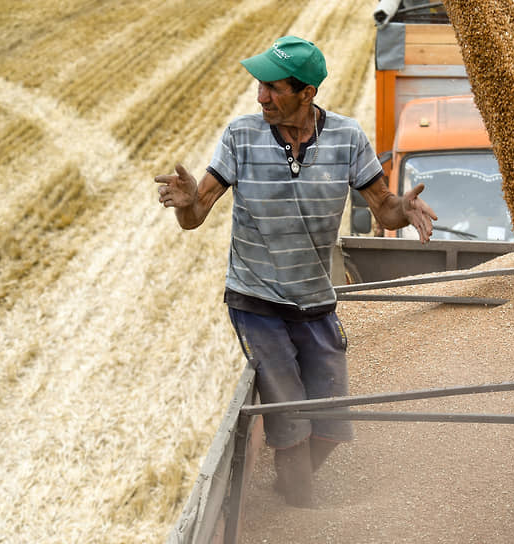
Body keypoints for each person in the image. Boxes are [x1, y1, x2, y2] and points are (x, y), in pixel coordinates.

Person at [155, 36, 436, 508]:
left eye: (274, 88)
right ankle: (300, 508)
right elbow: (197, 212)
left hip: (314, 300)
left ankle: (289, 484)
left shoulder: (347, 138)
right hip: (255, 300)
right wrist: (184, 204)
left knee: (331, 422)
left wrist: (403, 212)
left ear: (308, 93)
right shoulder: (240, 135)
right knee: (289, 418)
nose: (261, 97)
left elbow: (382, 208)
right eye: (260, 86)